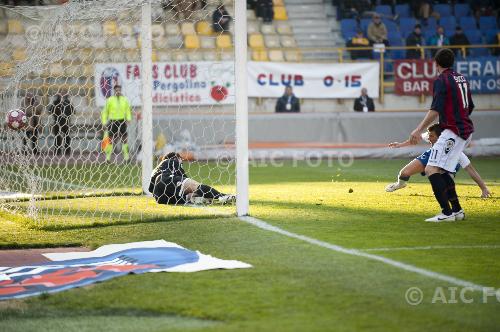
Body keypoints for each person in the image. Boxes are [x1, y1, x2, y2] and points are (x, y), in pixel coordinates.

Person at [408, 48, 474, 222]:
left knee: (431, 169)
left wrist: (418, 129)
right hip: (464, 129)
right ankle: (457, 210)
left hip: (454, 130)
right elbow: (470, 106)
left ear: (436, 64)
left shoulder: (441, 80)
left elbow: (435, 109)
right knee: (443, 170)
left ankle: (446, 213)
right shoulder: (462, 79)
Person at [386, 123, 491, 200]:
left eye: (432, 136)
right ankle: (400, 184)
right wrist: (399, 145)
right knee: (404, 173)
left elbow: (470, 170)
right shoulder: (431, 136)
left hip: (447, 163)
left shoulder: (455, 151)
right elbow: (415, 139)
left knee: (440, 190)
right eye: (429, 135)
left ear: (441, 138)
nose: (429, 138)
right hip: (431, 156)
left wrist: (484, 189)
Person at [149, 152, 236, 205]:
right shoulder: (172, 161)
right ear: (176, 158)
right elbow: (186, 180)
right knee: (195, 185)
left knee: (187, 195)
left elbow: (151, 189)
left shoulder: (156, 169)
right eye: (181, 160)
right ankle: (222, 196)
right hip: (165, 179)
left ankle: (201, 198)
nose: (181, 162)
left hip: (160, 197)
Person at [101, 84, 132, 162]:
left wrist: (128, 118)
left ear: (121, 90)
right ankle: (108, 158)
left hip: (122, 121)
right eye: (116, 90)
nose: (118, 91)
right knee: (111, 140)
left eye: (119, 90)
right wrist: (104, 122)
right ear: (114, 91)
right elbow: (105, 112)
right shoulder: (110, 100)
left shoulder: (124, 100)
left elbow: (128, 110)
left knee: (124, 139)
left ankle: (127, 158)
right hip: (113, 121)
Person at [47, 91, 75, 156]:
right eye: (60, 94)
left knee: (67, 137)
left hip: (66, 122)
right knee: (57, 137)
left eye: (63, 94)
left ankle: (67, 152)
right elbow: (50, 110)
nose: (62, 95)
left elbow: (73, 111)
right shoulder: (55, 102)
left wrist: (67, 114)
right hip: (57, 122)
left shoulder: (68, 102)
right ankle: (57, 151)